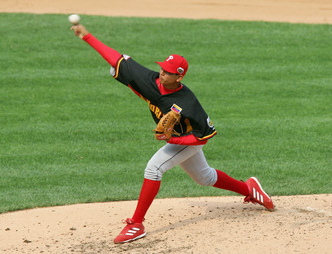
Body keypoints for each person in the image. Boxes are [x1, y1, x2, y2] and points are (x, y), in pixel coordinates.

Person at [70, 23, 274, 244]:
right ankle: (250, 189)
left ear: (179, 77)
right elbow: (115, 59)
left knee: (154, 168)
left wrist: (174, 139)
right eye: (162, 68)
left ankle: (136, 224)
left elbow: (204, 136)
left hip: (189, 139)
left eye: (167, 72)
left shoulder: (188, 103)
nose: (162, 72)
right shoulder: (149, 80)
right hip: (178, 139)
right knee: (204, 177)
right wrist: (87, 36)